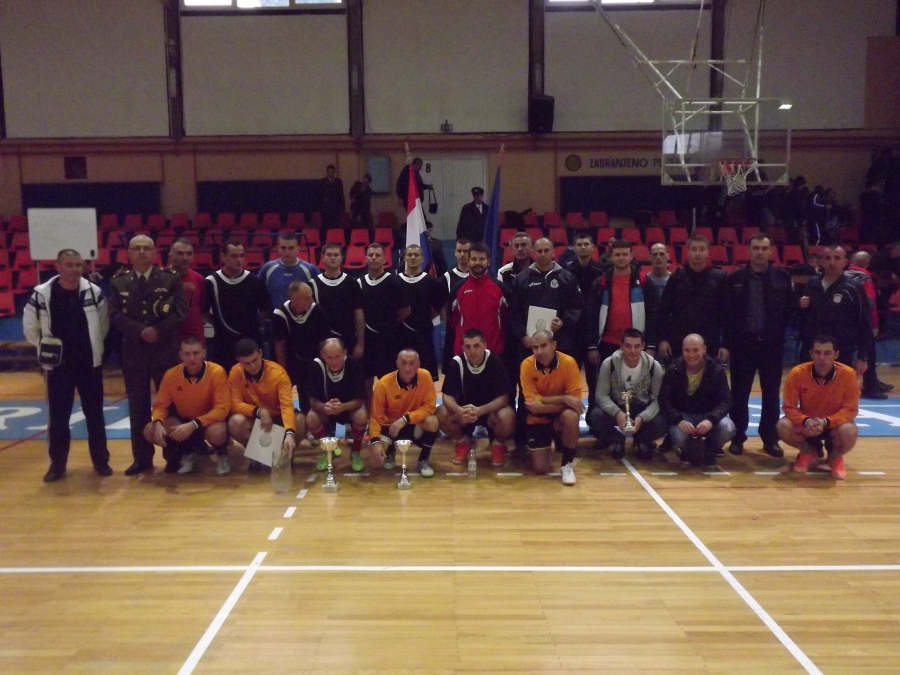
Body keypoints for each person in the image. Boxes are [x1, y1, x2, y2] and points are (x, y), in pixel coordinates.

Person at [24, 248, 112, 482]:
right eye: (70, 265)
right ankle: (57, 465)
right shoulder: (42, 294)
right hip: (58, 367)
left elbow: (103, 325)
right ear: (58, 266)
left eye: (78, 265)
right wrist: (45, 348)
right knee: (58, 418)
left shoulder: (94, 292)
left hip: (88, 364)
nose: (75, 269)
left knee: (95, 415)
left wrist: (94, 347)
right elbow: (30, 328)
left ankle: (101, 461)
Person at [109, 235, 186, 475]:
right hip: (135, 351)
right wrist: (140, 331)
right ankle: (142, 458)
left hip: (165, 350)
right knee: (138, 406)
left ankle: (173, 457)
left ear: (155, 253)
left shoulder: (170, 279)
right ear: (129, 254)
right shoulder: (118, 282)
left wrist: (158, 331)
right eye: (137, 248)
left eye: (147, 248)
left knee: (170, 405)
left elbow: (179, 312)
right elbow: (115, 315)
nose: (142, 252)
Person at [723, 233, 795, 458]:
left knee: (771, 394)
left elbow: (790, 309)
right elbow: (728, 314)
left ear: (771, 251)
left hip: (772, 346)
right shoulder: (735, 278)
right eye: (755, 248)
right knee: (739, 393)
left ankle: (770, 439)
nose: (760, 252)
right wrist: (728, 343)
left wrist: (779, 332)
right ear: (748, 251)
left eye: (764, 248)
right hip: (742, 345)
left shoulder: (783, 277)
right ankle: (737, 437)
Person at [585, 239, 658, 415]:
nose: (621, 258)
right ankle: (598, 424)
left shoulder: (645, 282)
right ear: (611, 257)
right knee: (601, 388)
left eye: (625, 254)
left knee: (637, 388)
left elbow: (654, 315)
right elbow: (591, 316)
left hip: (635, 346)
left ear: (631, 256)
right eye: (617, 254)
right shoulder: (600, 283)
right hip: (606, 344)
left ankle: (638, 421)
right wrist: (592, 345)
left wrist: (651, 344)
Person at [145, 337, 231, 475]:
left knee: (217, 431)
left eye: (196, 353)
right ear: (181, 355)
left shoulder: (217, 372)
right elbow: (160, 405)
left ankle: (222, 453)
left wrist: (194, 424)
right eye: (187, 354)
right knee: (150, 430)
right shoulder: (171, 375)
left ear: (203, 353)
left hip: (208, 421)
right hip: (184, 420)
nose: (192, 358)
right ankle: (188, 451)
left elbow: (222, 409)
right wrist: (158, 422)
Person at [777, 334, 859, 479]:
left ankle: (835, 457)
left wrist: (827, 421)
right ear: (811, 354)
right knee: (783, 425)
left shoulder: (848, 374)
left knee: (849, 430)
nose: (822, 358)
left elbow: (850, 410)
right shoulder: (798, 373)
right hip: (808, 425)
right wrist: (806, 421)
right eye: (817, 352)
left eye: (827, 353)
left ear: (836, 355)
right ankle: (808, 451)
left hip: (835, 425)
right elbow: (789, 407)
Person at [437, 328, 513, 468]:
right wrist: (460, 411)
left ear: (485, 345)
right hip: (465, 414)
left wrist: (480, 411)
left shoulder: (495, 361)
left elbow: (504, 398)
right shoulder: (457, 362)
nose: (472, 351)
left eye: (476, 346)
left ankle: (497, 444)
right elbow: (447, 396)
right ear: (462, 347)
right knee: (441, 413)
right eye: (468, 346)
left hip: (490, 413)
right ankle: (463, 442)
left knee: (507, 415)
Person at [587, 328, 666, 461]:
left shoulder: (654, 366)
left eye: (637, 346)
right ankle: (617, 440)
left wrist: (642, 417)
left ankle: (642, 440)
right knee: (595, 416)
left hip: (642, 407)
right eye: (628, 346)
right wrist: (617, 413)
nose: (632, 351)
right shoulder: (609, 363)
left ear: (643, 346)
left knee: (662, 421)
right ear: (621, 346)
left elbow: (657, 400)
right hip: (618, 404)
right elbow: (601, 395)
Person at [659, 334, 735, 469]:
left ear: (704, 349)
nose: (691, 355)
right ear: (682, 350)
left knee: (728, 428)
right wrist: (679, 420)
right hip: (683, 416)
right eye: (687, 350)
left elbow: (727, 400)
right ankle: (688, 451)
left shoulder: (716, 370)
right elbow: (664, 400)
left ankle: (709, 451)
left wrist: (711, 420)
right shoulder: (673, 369)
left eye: (695, 350)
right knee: (679, 437)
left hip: (707, 415)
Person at [227, 338, 304, 471]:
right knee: (235, 422)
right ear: (238, 360)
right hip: (256, 418)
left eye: (255, 360)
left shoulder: (278, 373)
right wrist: (259, 411)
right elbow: (234, 403)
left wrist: (290, 433)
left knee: (300, 420)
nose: (252, 366)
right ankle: (256, 455)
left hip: (278, 417)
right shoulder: (235, 372)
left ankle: (286, 453)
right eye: (246, 363)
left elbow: (286, 405)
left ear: (261, 353)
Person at [798, 245, 873, 378]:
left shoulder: (854, 288)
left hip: (842, 350)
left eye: (837, 258)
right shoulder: (813, 283)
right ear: (821, 262)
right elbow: (804, 317)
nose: (832, 262)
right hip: (813, 350)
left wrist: (863, 357)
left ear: (845, 262)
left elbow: (864, 323)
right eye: (828, 258)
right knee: (809, 389)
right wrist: (801, 306)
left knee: (838, 390)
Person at [519, 329, 583, 485]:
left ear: (554, 345)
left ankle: (567, 465)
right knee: (540, 469)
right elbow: (533, 406)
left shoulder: (569, 362)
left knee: (571, 416)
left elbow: (575, 403)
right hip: (537, 419)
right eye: (535, 347)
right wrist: (564, 399)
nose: (539, 351)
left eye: (544, 346)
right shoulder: (526, 365)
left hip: (560, 417)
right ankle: (549, 444)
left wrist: (544, 404)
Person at [368, 349, 439, 477]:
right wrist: (375, 442)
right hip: (389, 428)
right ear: (397, 364)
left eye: (412, 363)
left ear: (418, 364)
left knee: (432, 421)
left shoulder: (425, 376)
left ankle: (423, 460)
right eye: (403, 363)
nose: (407, 368)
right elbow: (375, 417)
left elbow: (430, 407)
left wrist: (405, 419)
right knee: (376, 451)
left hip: (413, 425)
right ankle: (389, 451)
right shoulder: (383, 384)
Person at [657, 235, 728, 362]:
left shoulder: (720, 277)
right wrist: (663, 339)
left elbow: (727, 313)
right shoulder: (676, 277)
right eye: (694, 249)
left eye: (702, 249)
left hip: (710, 343)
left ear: (708, 252)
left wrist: (725, 344)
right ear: (688, 252)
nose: (697, 253)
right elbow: (664, 310)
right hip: (678, 342)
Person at [205, 240, 271, 367]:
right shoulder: (211, 282)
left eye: (242, 255)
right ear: (223, 256)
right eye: (234, 256)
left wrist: (250, 325)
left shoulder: (255, 281)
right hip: (223, 343)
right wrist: (219, 324)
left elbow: (264, 310)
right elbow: (204, 311)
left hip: (251, 340)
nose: (239, 260)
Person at [306, 338, 368, 473]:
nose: (334, 362)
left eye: (337, 357)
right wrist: (324, 407)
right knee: (311, 417)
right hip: (326, 411)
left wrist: (343, 407)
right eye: (329, 357)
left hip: (349, 409)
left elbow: (360, 400)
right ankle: (328, 449)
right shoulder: (316, 366)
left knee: (361, 414)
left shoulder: (353, 364)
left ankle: (356, 451)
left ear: (345, 353)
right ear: (322, 355)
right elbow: (312, 401)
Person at [272, 281, 331, 410]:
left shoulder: (317, 311)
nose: (312, 300)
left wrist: (325, 365)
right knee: (282, 392)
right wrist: (283, 371)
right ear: (294, 301)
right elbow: (279, 346)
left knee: (312, 396)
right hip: (291, 359)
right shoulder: (280, 315)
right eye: (308, 298)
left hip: (314, 358)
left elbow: (324, 342)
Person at [359, 243, 410, 387]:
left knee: (389, 381)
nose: (374, 258)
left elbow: (406, 310)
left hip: (388, 341)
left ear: (385, 259)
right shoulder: (360, 283)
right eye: (371, 255)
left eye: (378, 255)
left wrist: (389, 325)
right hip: (367, 341)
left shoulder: (393, 282)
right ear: (366, 258)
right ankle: (369, 403)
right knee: (366, 381)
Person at [448, 241, 508, 358]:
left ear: (489, 261)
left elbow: (506, 318)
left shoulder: (501, 289)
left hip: (493, 353)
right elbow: (452, 320)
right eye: (474, 259)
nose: (477, 263)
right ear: (468, 260)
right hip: (464, 353)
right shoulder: (457, 289)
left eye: (481, 259)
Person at [398, 244, 446, 380]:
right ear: (405, 258)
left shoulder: (432, 282)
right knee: (401, 376)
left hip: (424, 335)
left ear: (422, 258)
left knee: (425, 376)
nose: (413, 257)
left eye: (416, 255)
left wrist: (424, 319)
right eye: (410, 255)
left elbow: (438, 308)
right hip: (400, 336)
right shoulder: (395, 281)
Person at [311, 242, 365, 358]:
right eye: (329, 255)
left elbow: (359, 314)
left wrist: (360, 343)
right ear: (323, 258)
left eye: (336, 255)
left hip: (348, 339)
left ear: (342, 258)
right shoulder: (313, 284)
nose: (332, 258)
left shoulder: (352, 283)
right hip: (323, 341)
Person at [847, 250, 888, 399]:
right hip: (863, 322)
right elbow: (870, 303)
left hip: (846, 322)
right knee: (869, 354)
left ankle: (873, 382)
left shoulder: (843, 275)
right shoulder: (865, 277)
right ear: (867, 263)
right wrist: (874, 324)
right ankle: (871, 387)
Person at [258, 230, 318, 310]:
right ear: (278, 248)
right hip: (275, 316)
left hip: (304, 316)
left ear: (298, 248)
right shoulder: (267, 269)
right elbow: (259, 294)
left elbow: (317, 297)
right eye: (283, 248)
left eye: (291, 248)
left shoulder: (310, 270)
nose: (287, 252)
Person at [168, 238, 206, 344]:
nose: (185, 258)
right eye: (180, 253)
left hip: (194, 337)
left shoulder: (198, 279)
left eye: (189, 254)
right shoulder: (161, 278)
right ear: (170, 256)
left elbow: (201, 308)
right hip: (168, 338)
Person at [319, 164, 345, 229]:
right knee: (325, 227)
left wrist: (342, 207)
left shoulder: (338, 182)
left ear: (334, 172)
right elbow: (320, 196)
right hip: (326, 209)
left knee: (335, 228)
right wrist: (321, 208)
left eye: (332, 172)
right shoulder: (322, 181)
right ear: (327, 172)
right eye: (329, 172)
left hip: (336, 209)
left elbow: (341, 195)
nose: (331, 174)